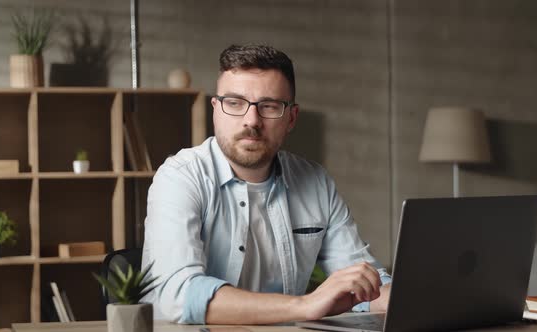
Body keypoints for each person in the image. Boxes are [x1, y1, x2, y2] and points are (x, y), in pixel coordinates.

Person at [141, 44, 392, 325]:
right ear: (216, 110)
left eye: (269, 106)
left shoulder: (315, 182)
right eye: (234, 103)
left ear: (291, 118)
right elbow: (180, 294)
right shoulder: (180, 177)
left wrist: (398, 294)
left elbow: (364, 280)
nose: (252, 121)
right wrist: (306, 305)